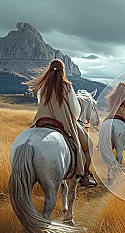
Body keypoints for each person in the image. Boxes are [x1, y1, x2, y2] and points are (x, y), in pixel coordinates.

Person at [28, 59, 97, 187]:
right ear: (62, 71)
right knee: (89, 145)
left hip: (42, 120)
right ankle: (85, 175)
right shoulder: (67, 86)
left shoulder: (43, 86)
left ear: (49, 70)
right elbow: (76, 111)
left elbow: (40, 103)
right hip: (63, 122)